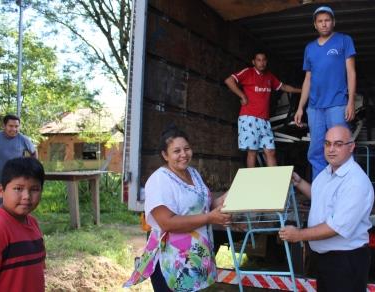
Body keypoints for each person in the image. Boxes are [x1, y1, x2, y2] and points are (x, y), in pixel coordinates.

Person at [124, 125, 231, 291]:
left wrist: (229, 197)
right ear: (165, 155)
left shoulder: (193, 173)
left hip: (194, 258)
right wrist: (210, 218)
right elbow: (167, 223)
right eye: (176, 151)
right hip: (172, 261)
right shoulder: (159, 180)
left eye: (187, 149)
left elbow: (203, 207)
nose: (183, 154)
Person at [279, 126, 374, 292]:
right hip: (325, 259)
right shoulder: (326, 173)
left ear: (351, 147)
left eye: (338, 144)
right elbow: (320, 197)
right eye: (327, 144)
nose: (331, 149)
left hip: (345, 260)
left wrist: (298, 235)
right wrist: (299, 182)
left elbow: (335, 227)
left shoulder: (355, 182)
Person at [294, 6, 356, 180]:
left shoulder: (344, 40)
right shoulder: (310, 48)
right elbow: (308, 79)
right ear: (315, 25)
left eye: (327, 20)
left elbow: (351, 72)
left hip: (337, 104)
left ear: (333, 22)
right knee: (316, 151)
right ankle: (321, 194)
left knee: (341, 147)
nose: (324, 24)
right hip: (314, 108)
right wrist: (300, 107)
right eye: (320, 21)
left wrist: (351, 101)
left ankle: (345, 190)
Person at [225, 51, 301, 167]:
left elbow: (284, 87)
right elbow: (229, 80)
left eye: (264, 60)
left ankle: (275, 182)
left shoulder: (269, 76)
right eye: (258, 60)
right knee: (252, 152)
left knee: (270, 151)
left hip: (264, 120)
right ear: (253, 62)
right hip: (249, 118)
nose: (261, 62)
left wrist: (303, 91)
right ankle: (252, 183)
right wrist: (242, 96)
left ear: (266, 62)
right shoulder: (248, 72)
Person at [0, 157, 46, 292]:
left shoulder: (33, 224)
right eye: (18, 188)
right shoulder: (1, 227)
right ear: (1, 191)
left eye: (35, 189)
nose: (27, 196)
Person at [0, 114, 38, 187]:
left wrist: (32, 168)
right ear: (4, 126)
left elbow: (34, 152)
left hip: (15, 178)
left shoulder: (23, 139)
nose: (14, 129)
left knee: (11, 197)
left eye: (16, 126)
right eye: (11, 126)